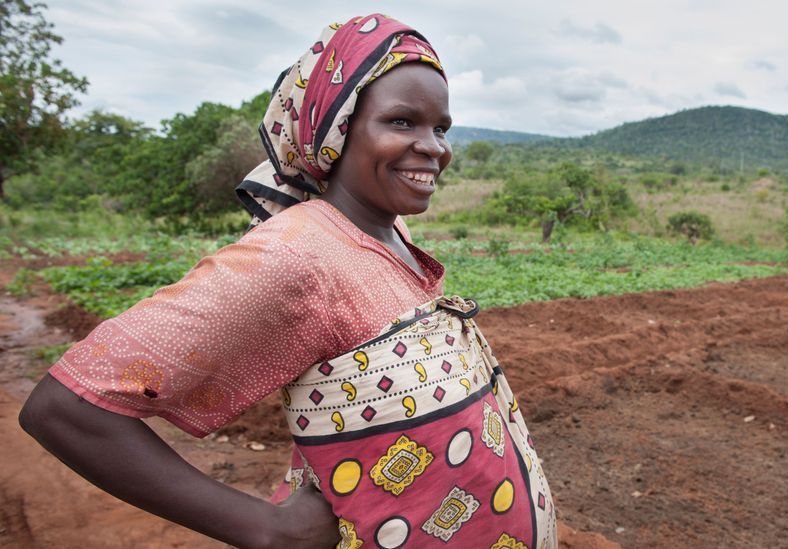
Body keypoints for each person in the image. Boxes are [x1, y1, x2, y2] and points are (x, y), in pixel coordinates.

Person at [19, 14, 556, 549]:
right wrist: (266, 528)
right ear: (335, 131)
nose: (434, 147)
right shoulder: (296, 255)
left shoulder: (390, 231)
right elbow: (66, 411)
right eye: (401, 122)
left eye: (440, 127)